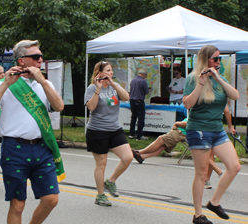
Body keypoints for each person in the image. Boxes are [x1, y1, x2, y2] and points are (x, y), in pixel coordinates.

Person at [0, 40, 65, 224]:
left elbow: (59, 106)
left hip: (41, 148)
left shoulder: (43, 82)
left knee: (51, 199)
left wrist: (41, 81)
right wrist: (6, 83)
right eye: (36, 57)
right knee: (18, 204)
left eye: (41, 57)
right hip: (14, 149)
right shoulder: (5, 83)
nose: (41, 60)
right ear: (21, 60)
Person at [183, 45, 241, 224]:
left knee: (234, 167)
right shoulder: (193, 78)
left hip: (217, 130)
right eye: (215, 59)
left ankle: (214, 202)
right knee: (201, 174)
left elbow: (235, 95)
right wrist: (201, 83)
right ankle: (198, 214)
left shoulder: (219, 78)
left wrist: (218, 77)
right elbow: (187, 104)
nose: (218, 62)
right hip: (199, 130)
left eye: (220, 59)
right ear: (205, 60)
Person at [84, 61, 133, 207]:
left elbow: (126, 98)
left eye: (111, 70)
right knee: (102, 163)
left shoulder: (114, 87)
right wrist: (98, 89)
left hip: (114, 129)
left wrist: (114, 84)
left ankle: (110, 182)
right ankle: (100, 195)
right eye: (108, 70)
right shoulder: (92, 88)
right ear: (99, 73)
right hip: (97, 130)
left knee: (128, 157)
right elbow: (91, 107)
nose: (111, 73)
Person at [132, 117, 224, 189]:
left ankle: (139, 152)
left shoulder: (199, 107)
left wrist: (177, 123)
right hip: (203, 133)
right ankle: (142, 156)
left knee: (161, 139)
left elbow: (190, 124)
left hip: (183, 132)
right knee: (164, 146)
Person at [129, 68, 150, 140]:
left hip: (132, 101)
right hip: (139, 101)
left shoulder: (133, 80)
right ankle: (139, 135)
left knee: (133, 117)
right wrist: (148, 90)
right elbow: (146, 92)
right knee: (141, 118)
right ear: (144, 74)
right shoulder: (143, 81)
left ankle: (131, 133)